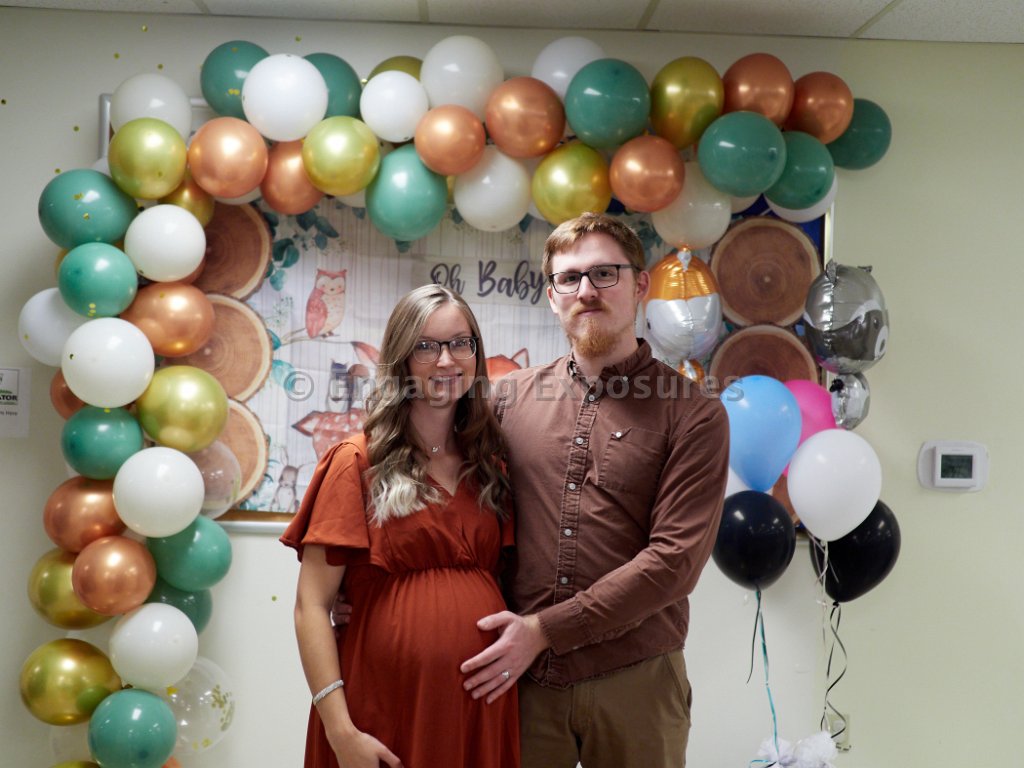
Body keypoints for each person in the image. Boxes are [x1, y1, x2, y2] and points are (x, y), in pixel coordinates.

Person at [459, 212, 730, 768]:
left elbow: (674, 562)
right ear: (552, 296)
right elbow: (450, 508)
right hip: (523, 680)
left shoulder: (694, 414)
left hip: (638, 679)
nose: (586, 290)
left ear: (640, 285)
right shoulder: (505, 400)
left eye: (605, 273)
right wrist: (366, 584)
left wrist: (544, 630)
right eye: (569, 278)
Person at [281, 284, 519, 768]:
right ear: (401, 360)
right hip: (380, 707)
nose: (446, 360)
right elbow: (311, 607)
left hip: (478, 710)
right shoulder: (356, 461)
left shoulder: (490, 464)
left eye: (461, 343)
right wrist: (340, 732)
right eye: (426, 346)